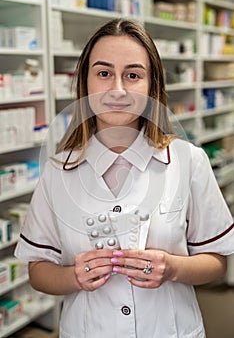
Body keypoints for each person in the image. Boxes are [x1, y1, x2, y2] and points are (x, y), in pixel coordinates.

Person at [15, 18, 234, 338]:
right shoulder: (58, 171)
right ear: (85, 84)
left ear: (151, 86)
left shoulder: (189, 161)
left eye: (133, 75)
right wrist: (74, 276)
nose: (117, 89)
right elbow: (38, 271)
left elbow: (216, 262)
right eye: (104, 73)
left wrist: (172, 268)